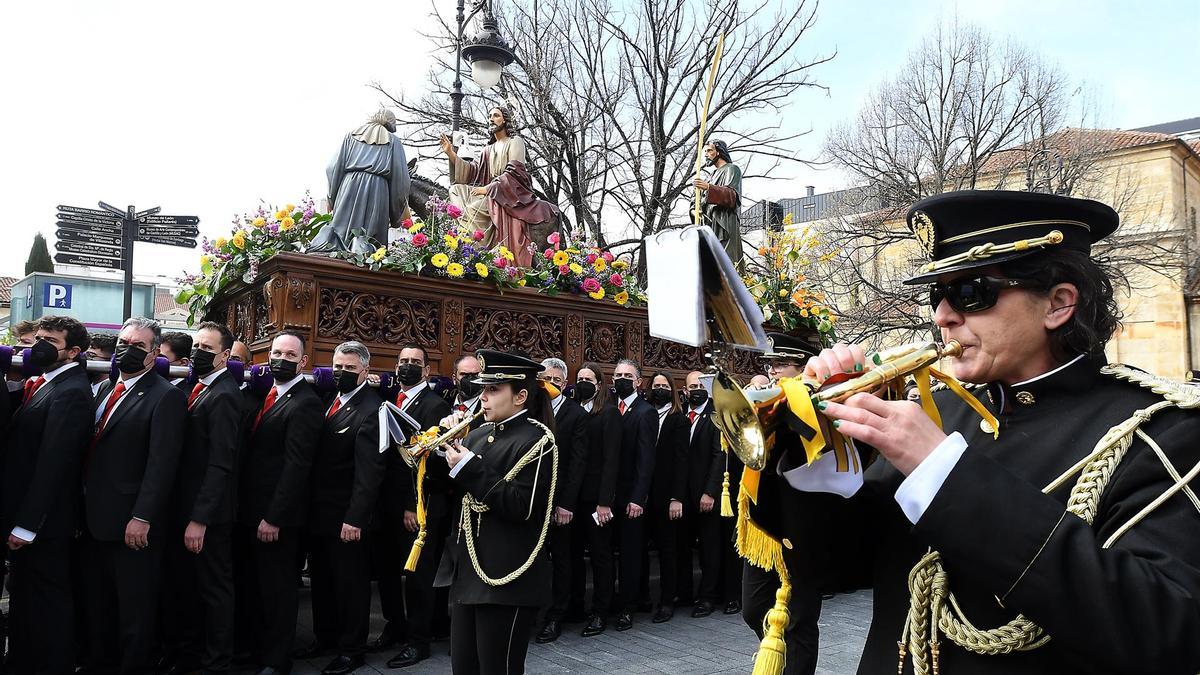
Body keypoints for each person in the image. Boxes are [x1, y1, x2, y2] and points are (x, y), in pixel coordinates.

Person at [794, 190, 1200, 673]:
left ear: (1058, 303)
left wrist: (946, 475)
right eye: (937, 294)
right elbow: (836, 567)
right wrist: (817, 450)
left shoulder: (1158, 429)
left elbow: (1166, 630)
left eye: (971, 293)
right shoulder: (938, 412)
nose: (944, 315)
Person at [441, 349, 558, 673]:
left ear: (520, 395)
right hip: (469, 572)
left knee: (498, 669)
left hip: (507, 575)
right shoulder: (476, 434)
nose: (484, 398)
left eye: (493, 390)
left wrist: (468, 465)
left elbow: (521, 507)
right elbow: (451, 493)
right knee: (464, 667)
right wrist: (444, 449)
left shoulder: (538, 440)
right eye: (483, 389)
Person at [84, 316, 187, 673]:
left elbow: (162, 465)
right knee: (100, 604)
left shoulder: (166, 396)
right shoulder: (105, 389)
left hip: (132, 523)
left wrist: (142, 516)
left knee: (134, 609)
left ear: (154, 353)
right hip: (95, 518)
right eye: (123, 343)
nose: (127, 350)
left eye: (138, 346)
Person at [2, 316, 93, 673]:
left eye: (50, 340)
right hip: (28, 519)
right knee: (25, 599)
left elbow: (54, 465)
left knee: (47, 602)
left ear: (73, 352)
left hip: (45, 524)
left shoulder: (71, 391)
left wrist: (27, 525)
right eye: (37, 337)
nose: (38, 345)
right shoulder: (43, 384)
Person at [236, 330, 323, 675]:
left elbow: (296, 466)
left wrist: (274, 517)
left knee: (277, 591)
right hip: (251, 511)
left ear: (303, 362)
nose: (281, 360)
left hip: (277, 518)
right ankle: (255, 650)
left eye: (290, 355)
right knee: (254, 585)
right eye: (276, 353)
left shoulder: (305, 402)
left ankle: (276, 659)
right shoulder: (266, 395)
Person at [738, 333, 823, 675]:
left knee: (799, 618)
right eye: (770, 364)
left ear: (804, 367)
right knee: (754, 607)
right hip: (764, 523)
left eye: (782, 364)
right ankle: (778, 656)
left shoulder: (815, 400)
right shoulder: (770, 400)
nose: (773, 371)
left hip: (801, 524)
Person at [160, 321, 242, 675]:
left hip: (209, 516)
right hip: (189, 508)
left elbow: (221, 463)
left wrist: (200, 519)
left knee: (214, 590)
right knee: (190, 588)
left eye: (208, 349)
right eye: (197, 346)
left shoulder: (224, 395)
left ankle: (217, 662)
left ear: (225, 356)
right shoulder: (201, 387)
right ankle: (191, 653)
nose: (198, 353)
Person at [297, 341, 384, 675]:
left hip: (348, 518)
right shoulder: (329, 400)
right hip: (320, 514)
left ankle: (352, 649)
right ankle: (326, 637)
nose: (342, 373)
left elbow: (370, 473)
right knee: (322, 580)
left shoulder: (372, 409)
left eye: (350, 368)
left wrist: (355, 518)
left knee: (350, 585)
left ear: (365, 370)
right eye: (338, 367)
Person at [379, 345, 451, 668]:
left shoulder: (435, 406)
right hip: (388, 503)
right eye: (403, 361)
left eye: (415, 363)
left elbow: (430, 462)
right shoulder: (391, 401)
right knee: (388, 570)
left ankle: (418, 641)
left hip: (419, 507)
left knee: (419, 575)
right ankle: (395, 626)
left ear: (426, 371)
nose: (407, 366)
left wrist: (412, 505)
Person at [441, 105, 559, 267]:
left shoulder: (515, 142)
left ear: (505, 119)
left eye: (495, 115)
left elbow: (515, 172)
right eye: (490, 116)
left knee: (473, 208)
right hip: (490, 191)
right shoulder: (487, 150)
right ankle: (465, 229)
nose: (491, 119)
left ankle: (476, 250)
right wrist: (451, 155)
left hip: (508, 194)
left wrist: (489, 189)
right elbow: (474, 172)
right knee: (456, 189)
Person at [534, 357, 589, 643]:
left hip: (560, 502)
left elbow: (578, 464)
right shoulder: (531, 408)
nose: (551, 384)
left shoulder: (576, 414)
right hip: (532, 498)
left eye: (557, 380)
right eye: (546, 378)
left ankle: (556, 616)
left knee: (562, 559)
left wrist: (566, 503)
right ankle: (535, 611)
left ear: (565, 384)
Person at [310, 109, 411, 254]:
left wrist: (332, 198)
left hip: (348, 186)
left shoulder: (350, 137)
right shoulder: (394, 141)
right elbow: (401, 180)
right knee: (370, 246)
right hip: (378, 191)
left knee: (340, 236)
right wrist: (397, 214)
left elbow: (332, 168)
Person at [571, 362, 621, 638]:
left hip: (596, 499)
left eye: (588, 379)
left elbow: (611, 460)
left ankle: (601, 611)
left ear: (600, 384)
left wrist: (605, 501)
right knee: (574, 555)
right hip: (574, 498)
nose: (583, 383)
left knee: (601, 556)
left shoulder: (608, 413)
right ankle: (575, 605)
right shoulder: (572, 410)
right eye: (579, 378)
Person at [611, 358, 657, 631]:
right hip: (610, 496)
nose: (621, 379)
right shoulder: (608, 408)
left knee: (630, 553)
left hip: (631, 498)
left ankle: (627, 606)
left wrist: (638, 498)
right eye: (617, 374)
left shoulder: (645, 412)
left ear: (638, 382)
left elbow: (646, 459)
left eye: (628, 375)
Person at [675, 370, 725, 617]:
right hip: (683, 496)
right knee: (682, 546)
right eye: (691, 386)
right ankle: (684, 593)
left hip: (706, 496)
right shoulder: (681, 415)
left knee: (709, 549)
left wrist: (710, 492)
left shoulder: (715, 415)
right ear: (685, 390)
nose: (695, 389)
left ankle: (707, 597)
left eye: (699, 385)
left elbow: (719, 455)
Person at [645, 372, 689, 623]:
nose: (659, 389)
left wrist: (676, 497)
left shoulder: (677, 419)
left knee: (667, 549)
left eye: (664, 386)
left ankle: (667, 599)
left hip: (666, 495)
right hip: (643, 495)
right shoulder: (645, 413)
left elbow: (682, 461)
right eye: (656, 385)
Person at [692, 139, 744, 265]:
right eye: (705, 151)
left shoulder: (732, 169)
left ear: (719, 152)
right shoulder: (711, 176)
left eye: (709, 150)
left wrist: (709, 187)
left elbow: (732, 197)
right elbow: (700, 200)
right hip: (710, 224)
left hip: (725, 222)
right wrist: (695, 209)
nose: (706, 154)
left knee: (726, 262)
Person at [84, 333, 117, 398]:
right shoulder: (87, 385)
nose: (86, 359)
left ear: (111, 360)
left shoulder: (111, 393)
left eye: (91, 355)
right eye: (85, 355)